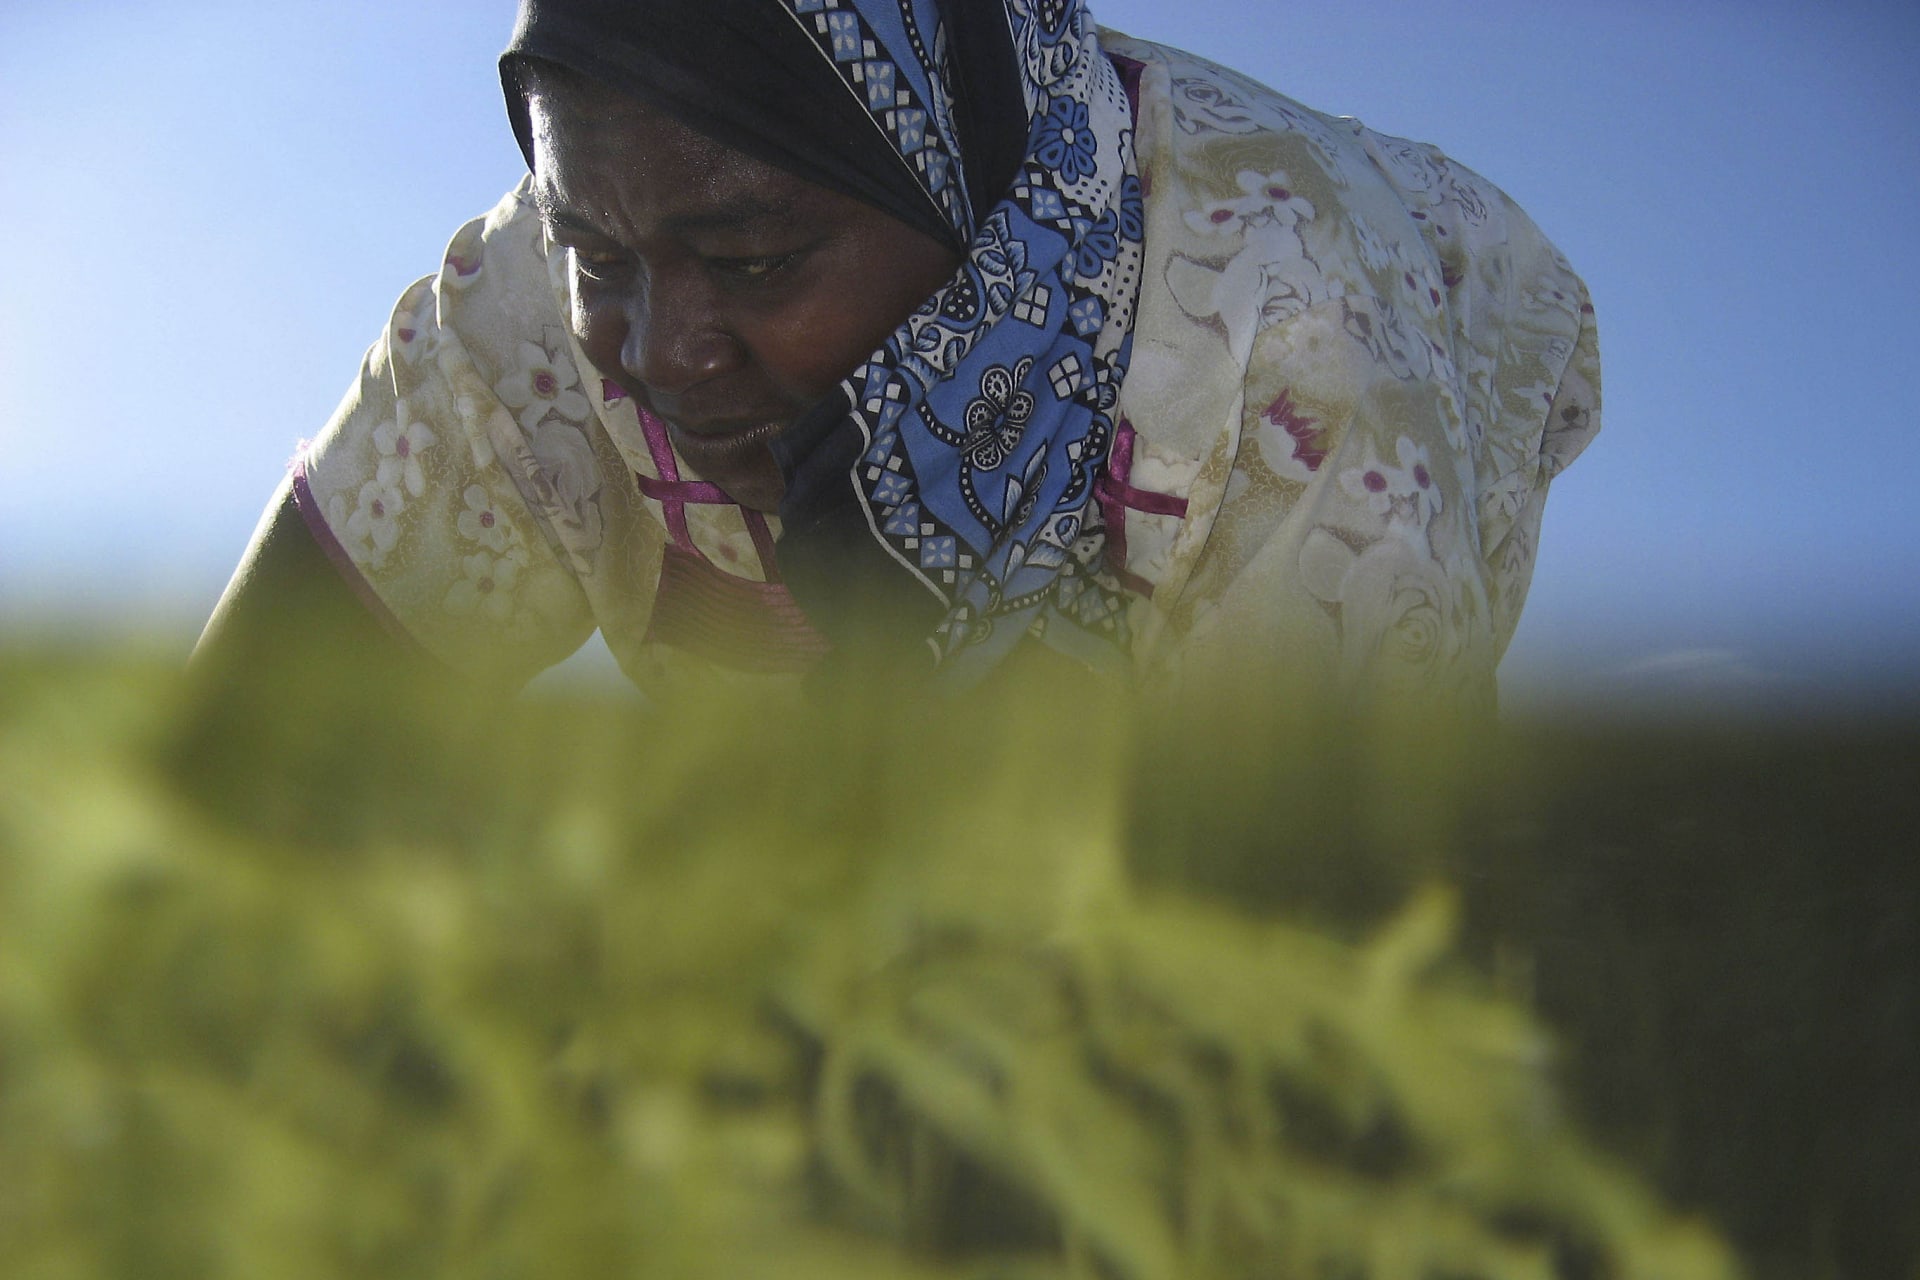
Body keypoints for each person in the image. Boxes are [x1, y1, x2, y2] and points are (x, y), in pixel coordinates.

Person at [196, 0, 1599, 710]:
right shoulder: (538, 302)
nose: (661, 351)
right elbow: (237, 763)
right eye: (604, 260)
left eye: (755, 262)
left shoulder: (1305, 349)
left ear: (977, 211)